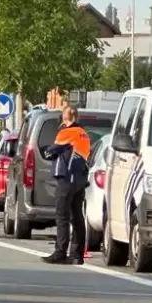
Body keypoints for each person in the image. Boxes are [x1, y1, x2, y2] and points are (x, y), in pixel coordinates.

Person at [41, 105, 92, 265]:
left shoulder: (66, 133)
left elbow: (50, 151)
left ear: (65, 117)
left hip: (66, 178)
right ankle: (77, 255)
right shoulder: (84, 134)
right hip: (80, 180)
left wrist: (48, 151)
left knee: (62, 215)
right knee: (77, 216)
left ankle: (60, 252)